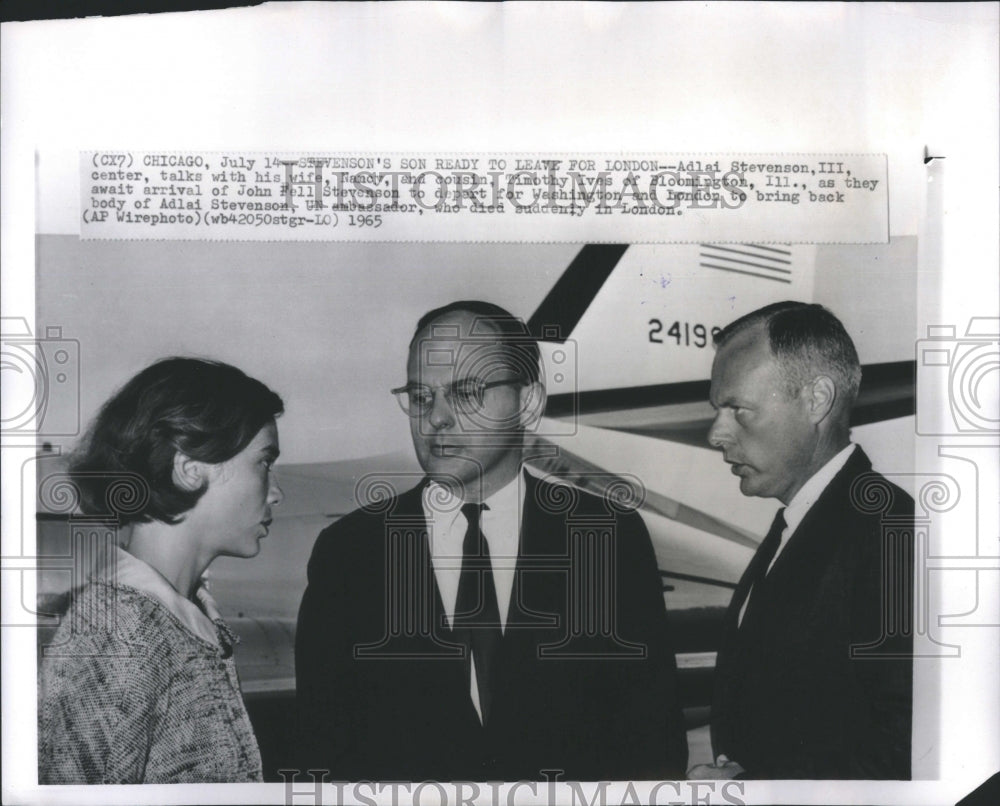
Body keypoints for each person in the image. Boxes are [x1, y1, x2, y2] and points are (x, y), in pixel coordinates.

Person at [296, 300, 687, 781]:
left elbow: (653, 739)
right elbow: (322, 747)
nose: (435, 419)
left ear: (528, 401)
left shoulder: (606, 539)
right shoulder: (348, 552)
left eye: (465, 393)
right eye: (420, 397)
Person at [689, 301, 913, 780]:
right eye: (717, 410)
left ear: (817, 400)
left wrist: (755, 790)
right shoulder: (805, 523)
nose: (716, 434)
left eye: (738, 410)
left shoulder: (891, 531)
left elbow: (908, 748)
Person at [39, 357, 284, 784]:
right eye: (264, 462)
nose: (276, 492)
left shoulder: (172, 622)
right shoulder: (119, 641)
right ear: (189, 470)